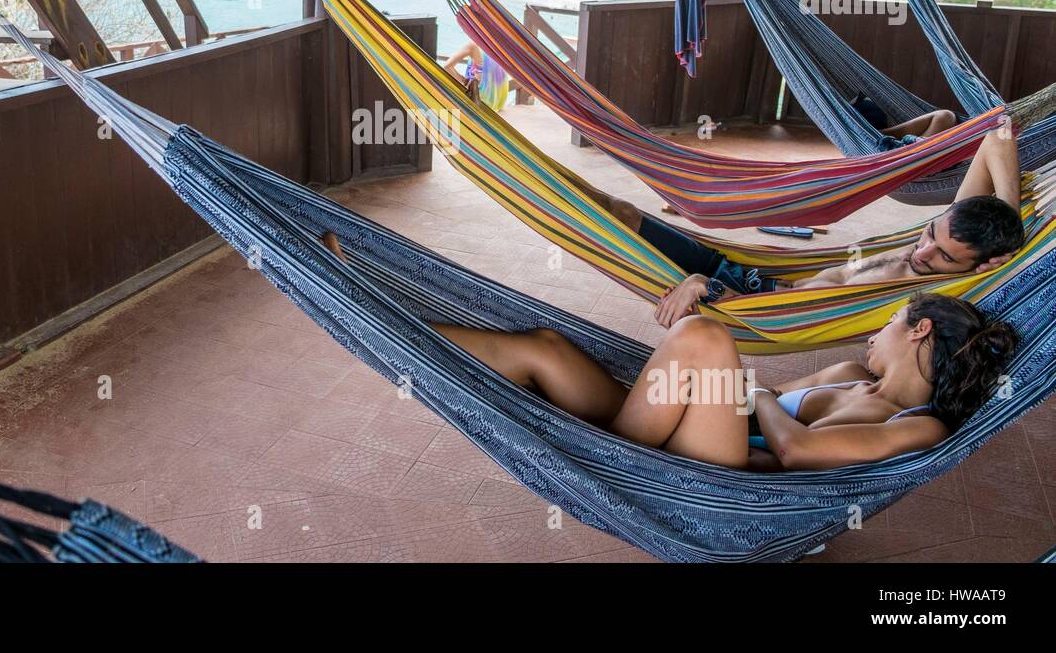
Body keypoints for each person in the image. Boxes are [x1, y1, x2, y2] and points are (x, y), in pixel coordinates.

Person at [323, 229, 1015, 471]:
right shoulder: (845, 374)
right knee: (546, 348)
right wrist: (750, 386)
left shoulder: (917, 424)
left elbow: (798, 453)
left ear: (919, 331)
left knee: (710, 337)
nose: (874, 332)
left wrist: (766, 396)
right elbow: (742, 398)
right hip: (687, 429)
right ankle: (369, 306)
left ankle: (610, 455)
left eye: (890, 322)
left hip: (719, 474)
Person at [593, 127, 1023, 327]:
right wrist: (1011, 224)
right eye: (931, 235)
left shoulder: (938, 293)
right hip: (753, 275)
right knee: (622, 212)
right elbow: (998, 134)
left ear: (978, 269)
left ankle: (527, 186)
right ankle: (535, 178)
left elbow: (774, 318)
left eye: (943, 257)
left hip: (743, 300)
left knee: (613, 225)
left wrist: (706, 285)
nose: (924, 251)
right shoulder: (954, 238)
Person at [441, 41, 511, 111]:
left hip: (480, 101)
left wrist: (464, 80)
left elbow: (447, 67)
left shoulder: (473, 45)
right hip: (499, 101)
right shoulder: (500, 44)